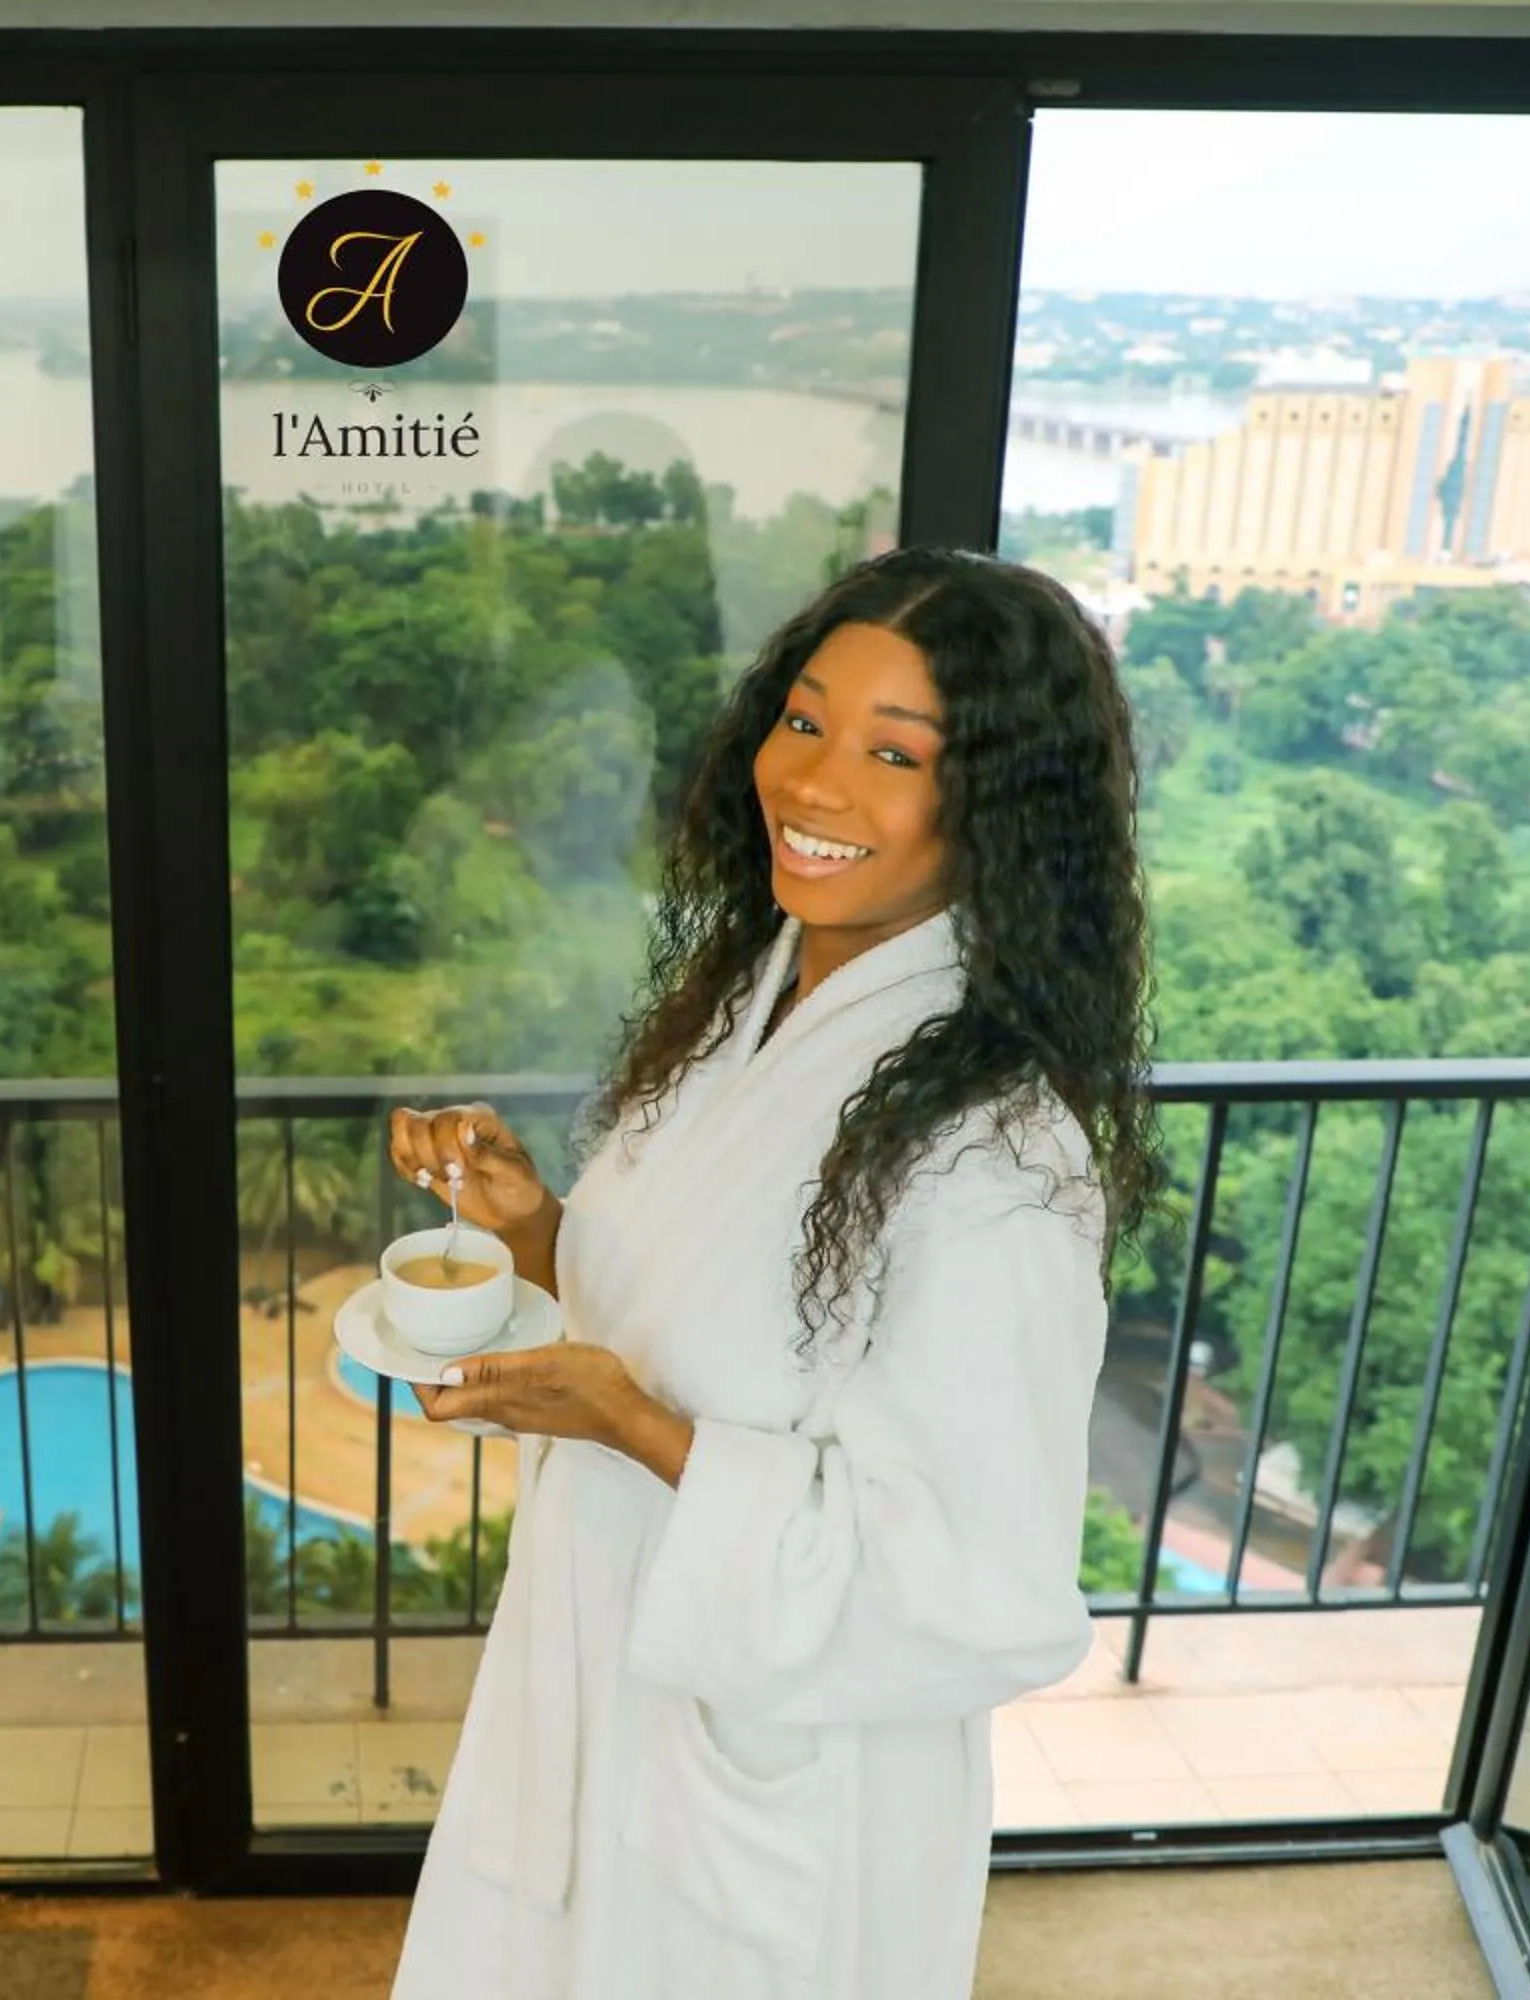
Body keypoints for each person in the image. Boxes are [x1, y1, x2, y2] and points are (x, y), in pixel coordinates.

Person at [382, 546, 1160, 2000]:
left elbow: (979, 1584)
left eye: (896, 753)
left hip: (774, 1782)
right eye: (804, 722)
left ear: (998, 805)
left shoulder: (996, 1155)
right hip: (599, 1698)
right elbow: (686, 1317)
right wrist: (533, 1231)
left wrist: (636, 1428)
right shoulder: (758, 1000)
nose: (815, 785)